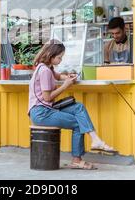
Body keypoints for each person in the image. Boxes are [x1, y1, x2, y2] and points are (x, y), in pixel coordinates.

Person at [28, 39, 118, 170]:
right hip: (41, 113)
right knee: (77, 123)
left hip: (45, 109)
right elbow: (47, 97)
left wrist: (67, 77)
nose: (61, 60)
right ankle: (77, 160)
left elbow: (57, 76)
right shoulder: (44, 71)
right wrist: (65, 86)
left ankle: (95, 139)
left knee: (78, 107)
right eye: (59, 57)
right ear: (50, 56)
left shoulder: (46, 67)